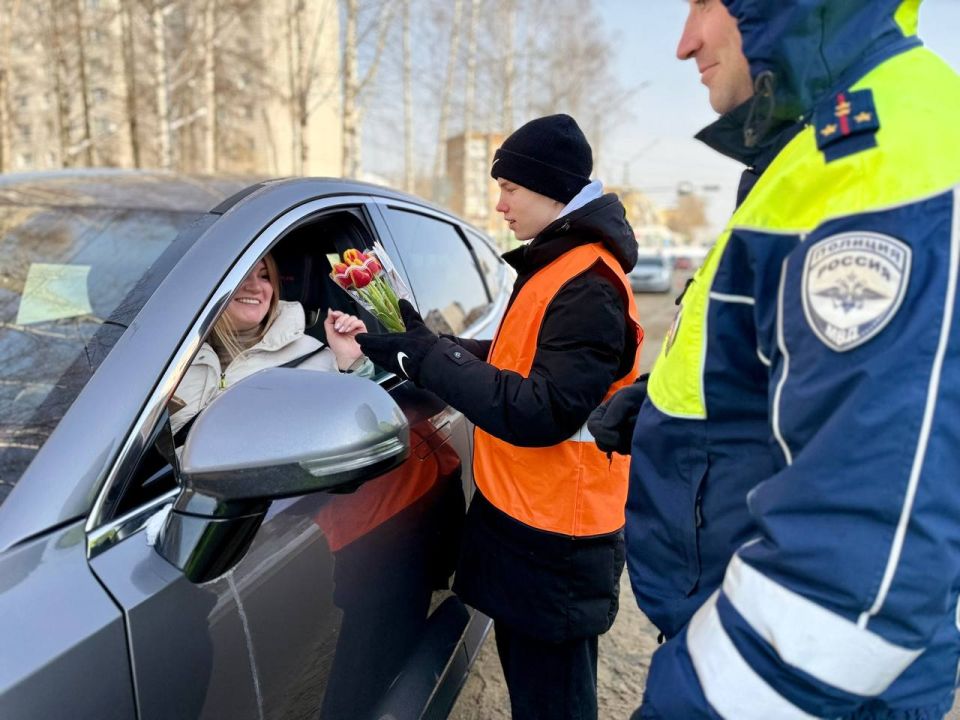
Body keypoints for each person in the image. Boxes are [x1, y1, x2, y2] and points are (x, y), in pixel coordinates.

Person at [590, 0, 960, 717]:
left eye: (706, 2)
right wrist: (669, 409)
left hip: (808, 692)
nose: (684, 42)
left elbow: (857, 580)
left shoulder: (880, 157)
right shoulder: (813, 149)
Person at [356, 114, 643, 720]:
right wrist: (430, 343)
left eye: (510, 187)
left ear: (550, 187)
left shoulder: (588, 283)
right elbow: (518, 357)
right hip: (531, 523)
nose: (500, 203)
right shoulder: (559, 266)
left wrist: (429, 358)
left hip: (557, 540)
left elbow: (542, 410)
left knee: (553, 704)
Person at [170, 252, 369, 435]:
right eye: (241, 275)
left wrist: (352, 364)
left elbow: (355, 425)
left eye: (265, 276)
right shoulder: (169, 354)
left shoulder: (313, 357)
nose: (255, 287)